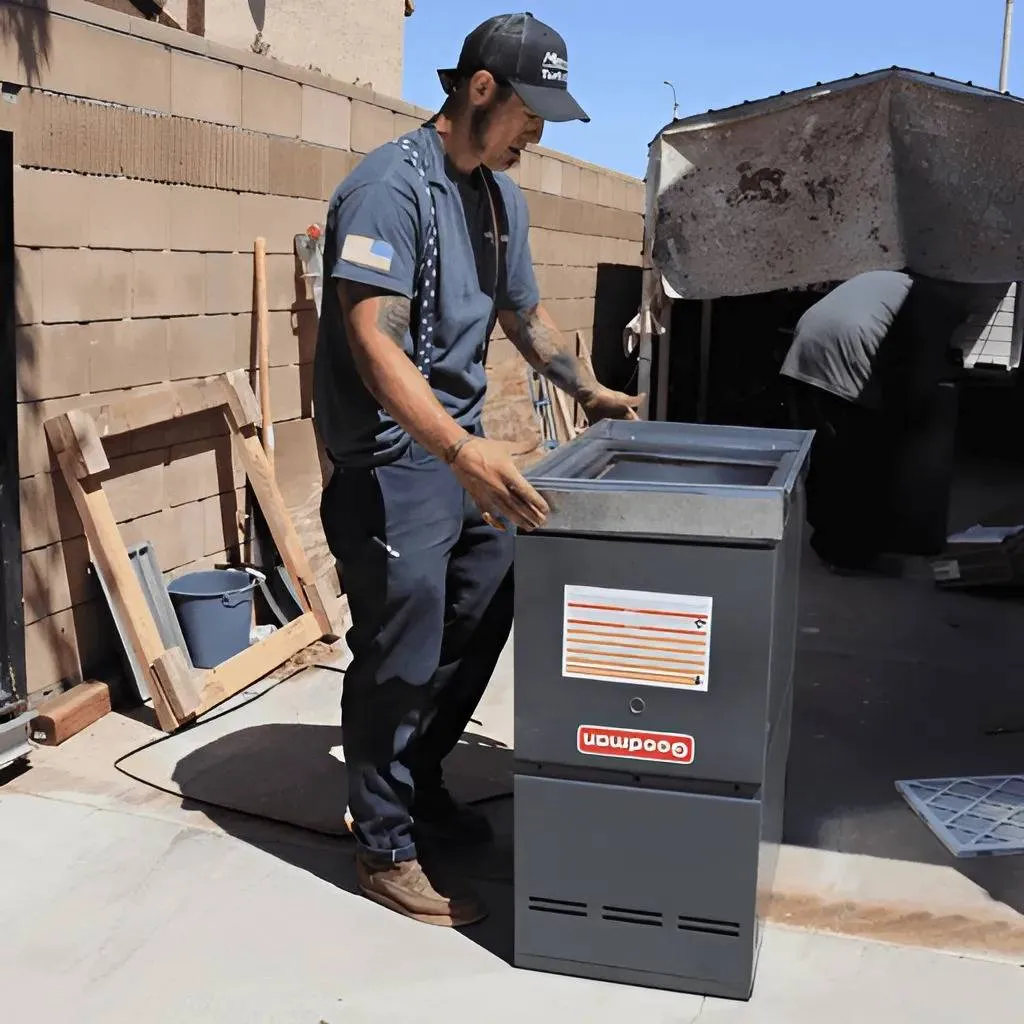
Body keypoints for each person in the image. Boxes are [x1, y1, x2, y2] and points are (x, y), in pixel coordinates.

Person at [313, 12, 642, 928]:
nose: (539, 131)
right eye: (531, 110)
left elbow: (525, 320)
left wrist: (592, 389)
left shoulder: (502, 201)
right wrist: (460, 452)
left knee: (485, 607)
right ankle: (382, 843)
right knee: (401, 647)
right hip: (391, 458)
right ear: (481, 90)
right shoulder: (388, 189)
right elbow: (371, 344)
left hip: (461, 452)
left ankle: (416, 783)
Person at [780, 270, 961, 571]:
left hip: (808, 338)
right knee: (863, 458)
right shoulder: (938, 305)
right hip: (849, 344)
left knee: (826, 452)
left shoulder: (892, 282)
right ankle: (850, 554)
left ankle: (829, 542)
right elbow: (915, 371)